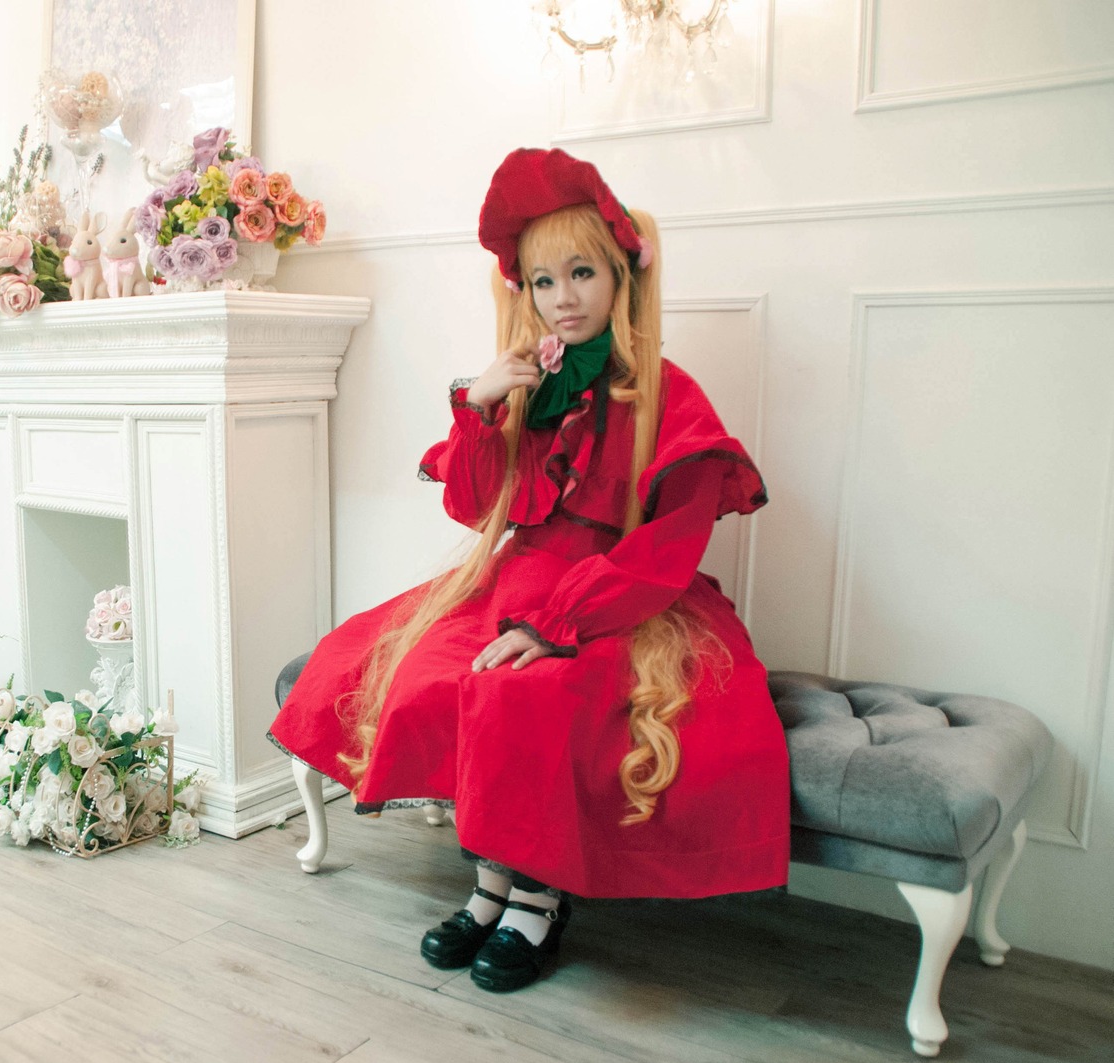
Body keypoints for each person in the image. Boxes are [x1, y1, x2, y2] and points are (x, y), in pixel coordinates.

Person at [268, 148, 790, 994]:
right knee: (423, 671)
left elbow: (667, 548)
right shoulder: (529, 389)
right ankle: (491, 888)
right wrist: (480, 406)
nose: (564, 297)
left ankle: (536, 902)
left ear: (623, 277)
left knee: (528, 693)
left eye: (582, 272)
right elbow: (479, 509)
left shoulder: (668, 392)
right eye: (542, 282)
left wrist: (556, 625)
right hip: (517, 581)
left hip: (621, 595)